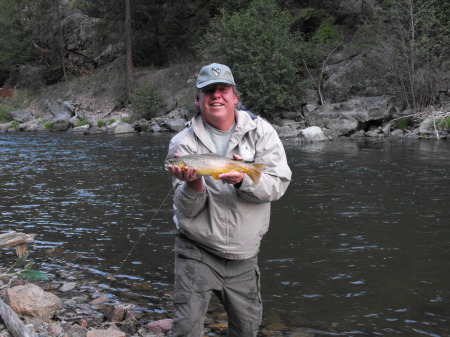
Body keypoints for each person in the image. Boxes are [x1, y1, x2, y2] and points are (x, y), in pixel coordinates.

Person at [165, 63, 292, 337]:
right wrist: (194, 183)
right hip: (196, 251)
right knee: (185, 330)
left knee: (246, 331)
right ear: (197, 100)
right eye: (208, 91)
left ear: (235, 96)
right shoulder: (181, 143)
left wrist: (243, 180)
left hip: (245, 257)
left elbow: (278, 185)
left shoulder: (262, 132)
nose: (216, 96)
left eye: (223, 89)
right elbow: (186, 210)